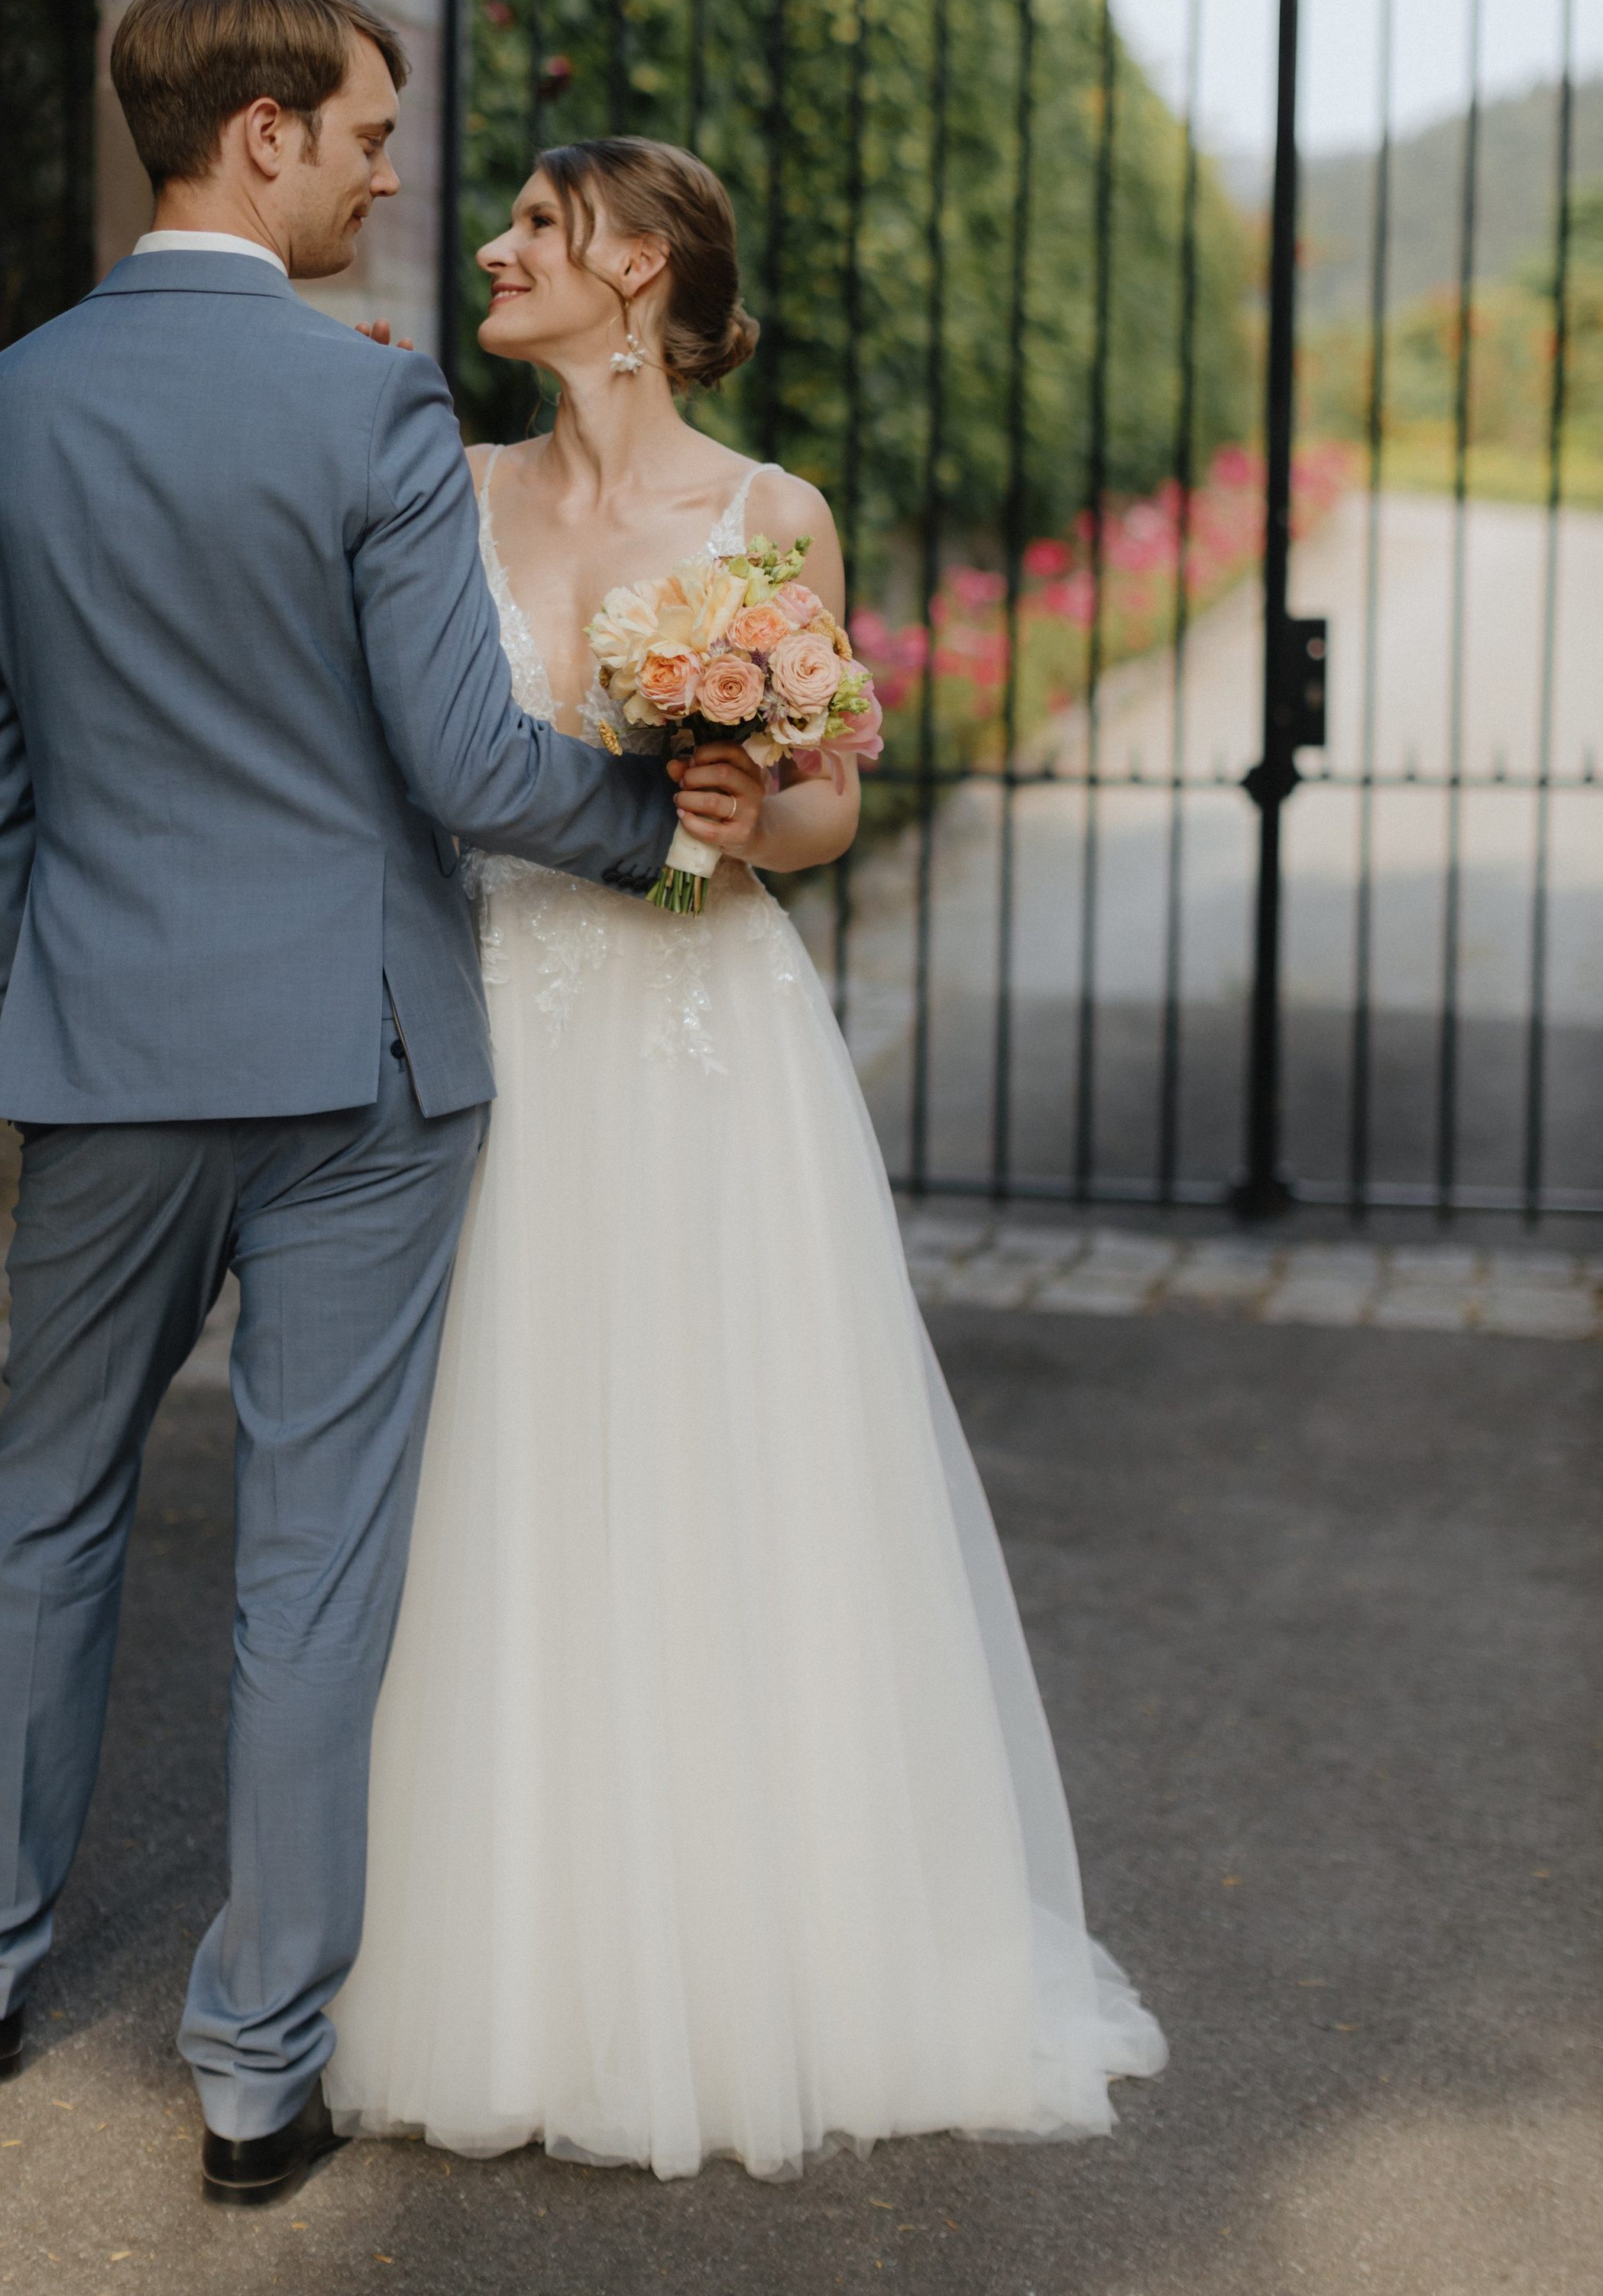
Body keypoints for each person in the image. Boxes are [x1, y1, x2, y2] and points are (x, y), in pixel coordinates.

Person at [0, 0, 733, 2209]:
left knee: (49, 1495)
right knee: (311, 1561)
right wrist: (662, 826)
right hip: (361, 1059)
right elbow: (464, 762)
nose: (392, 173)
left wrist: (56, 982)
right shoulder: (364, 414)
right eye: (369, 131)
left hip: (107, 1047)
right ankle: (253, 2070)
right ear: (257, 133)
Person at [323, 137, 1167, 2178]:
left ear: (637, 270)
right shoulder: (453, 486)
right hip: (512, 1014)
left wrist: (736, 793)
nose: (500, 250)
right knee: (507, 1463)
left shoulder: (775, 514)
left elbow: (823, 818)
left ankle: (767, 1941)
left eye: (536, 225)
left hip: (714, 1039)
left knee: (734, 1454)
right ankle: (522, 1949)